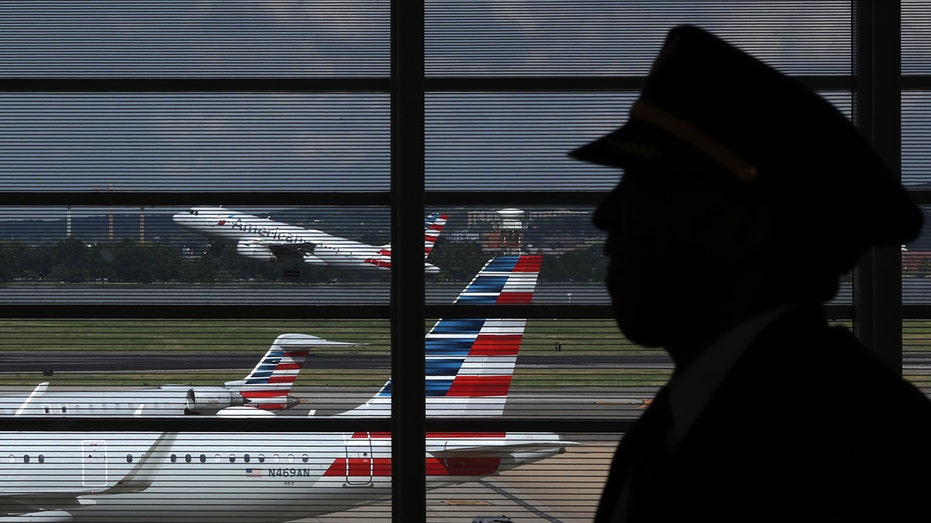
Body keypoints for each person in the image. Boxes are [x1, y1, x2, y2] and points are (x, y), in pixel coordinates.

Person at [569, 25, 931, 522]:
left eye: (648, 190)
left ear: (743, 229)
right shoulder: (676, 423)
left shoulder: (849, 450)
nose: (605, 216)